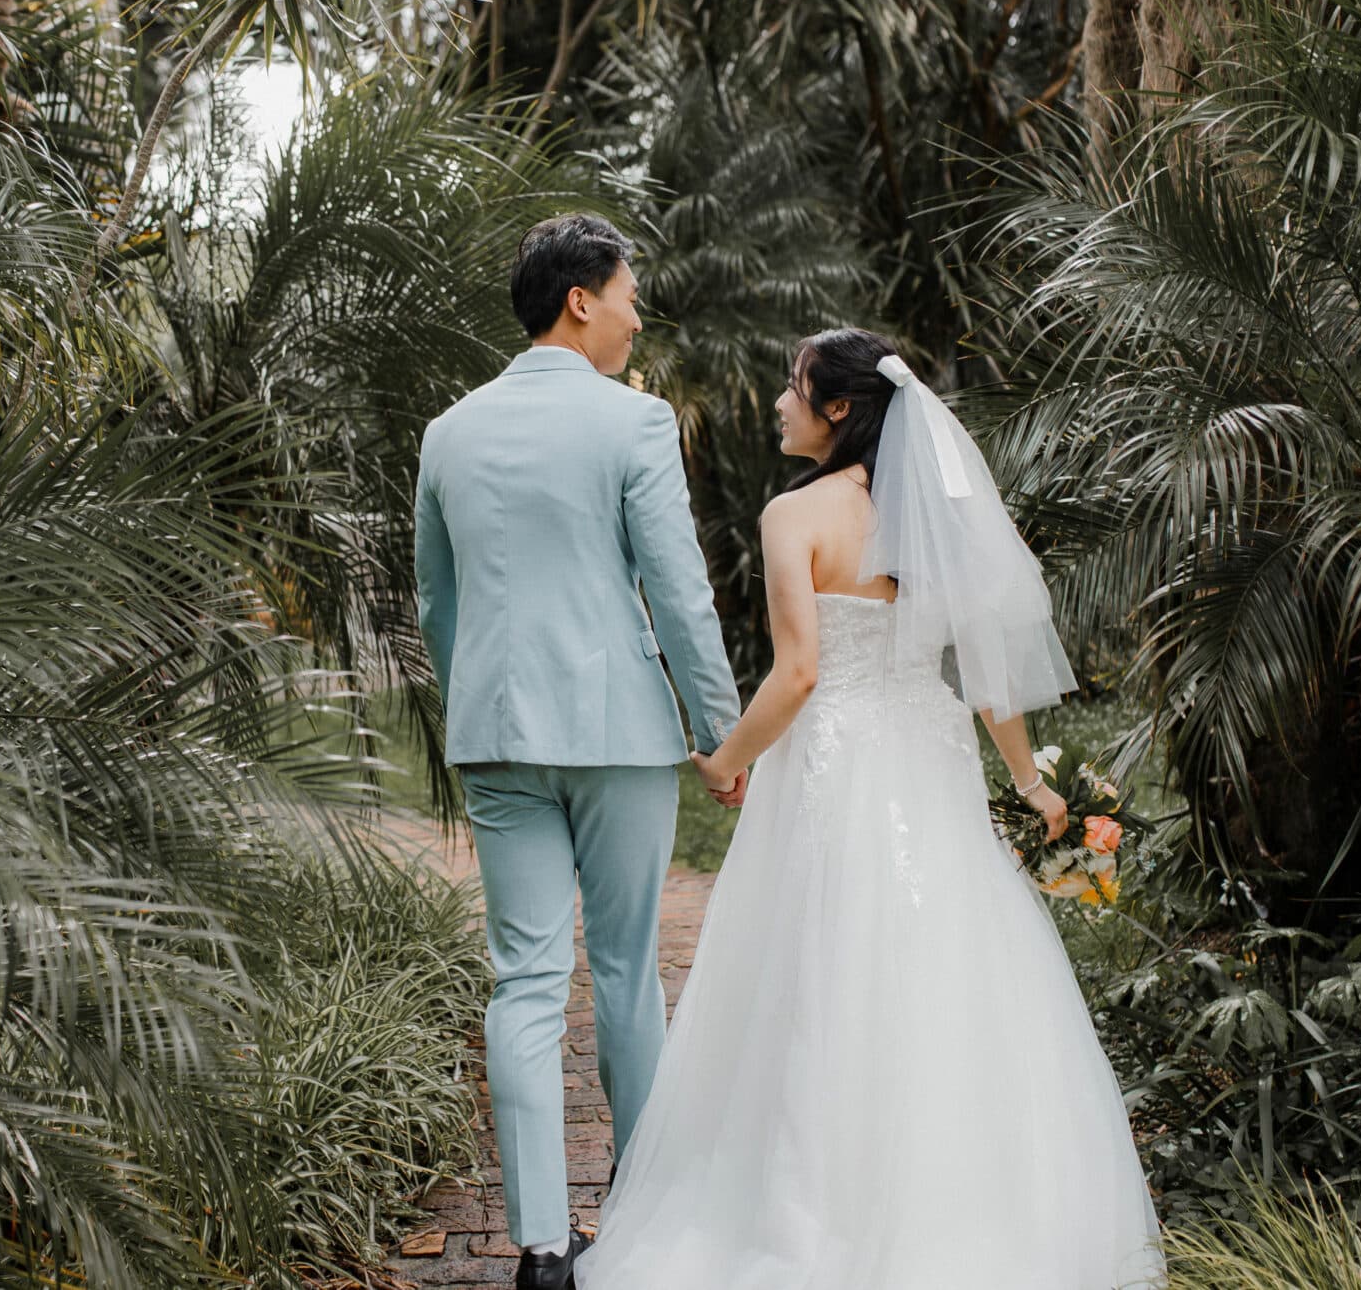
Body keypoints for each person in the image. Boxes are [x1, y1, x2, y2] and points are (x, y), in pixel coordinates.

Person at [572, 328, 1168, 1288]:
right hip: (928, 760)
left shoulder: (793, 515)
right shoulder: (931, 516)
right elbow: (982, 672)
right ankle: (969, 1213)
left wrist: (726, 760)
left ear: (839, 409)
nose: (777, 401)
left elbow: (800, 673)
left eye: (793, 387)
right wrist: (1029, 783)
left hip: (839, 766)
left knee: (818, 969)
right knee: (943, 965)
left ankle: (812, 1224)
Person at [413, 213, 744, 1290]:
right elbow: (678, 591)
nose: (638, 313)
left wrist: (481, 704)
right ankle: (637, 1222)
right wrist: (719, 729)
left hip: (498, 738)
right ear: (581, 300)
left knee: (523, 983)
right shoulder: (633, 425)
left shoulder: (448, 431)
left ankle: (541, 1250)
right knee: (624, 973)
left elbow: (437, 598)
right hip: (617, 736)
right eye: (630, 292)